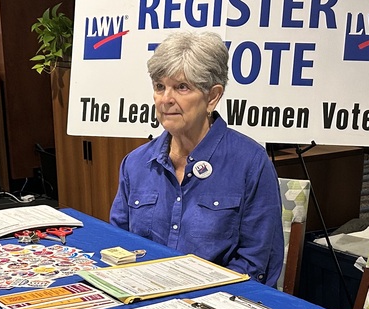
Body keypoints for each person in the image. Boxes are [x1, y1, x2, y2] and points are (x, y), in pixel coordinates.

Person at [109, 31, 284, 286]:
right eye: (160, 87)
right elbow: (119, 245)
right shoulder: (134, 164)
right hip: (141, 295)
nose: (166, 99)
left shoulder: (251, 163)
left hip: (219, 303)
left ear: (212, 96)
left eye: (182, 87)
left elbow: (255, 264)